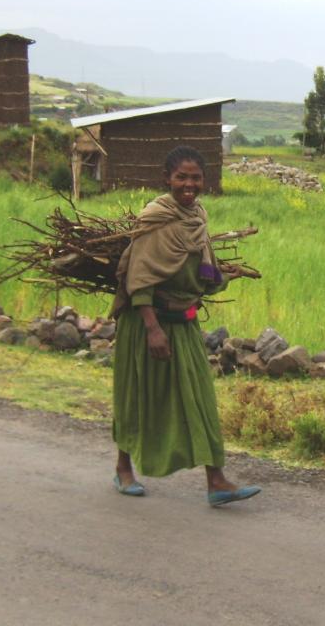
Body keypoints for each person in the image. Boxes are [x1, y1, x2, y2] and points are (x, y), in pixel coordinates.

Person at [110, 145, 260, 506]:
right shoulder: (156, 217)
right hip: (148, 322)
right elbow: (139, 275)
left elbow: (198, 271)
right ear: (167, 179)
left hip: (184, 322)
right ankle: (123, 468)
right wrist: (151, 327)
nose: (188, 184)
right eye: (181, 177)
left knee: (201, 400)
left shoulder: (197, 217)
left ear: (204, 181)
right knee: (138, 396)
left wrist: (223, 277)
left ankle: (216, 481)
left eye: (195, 178)